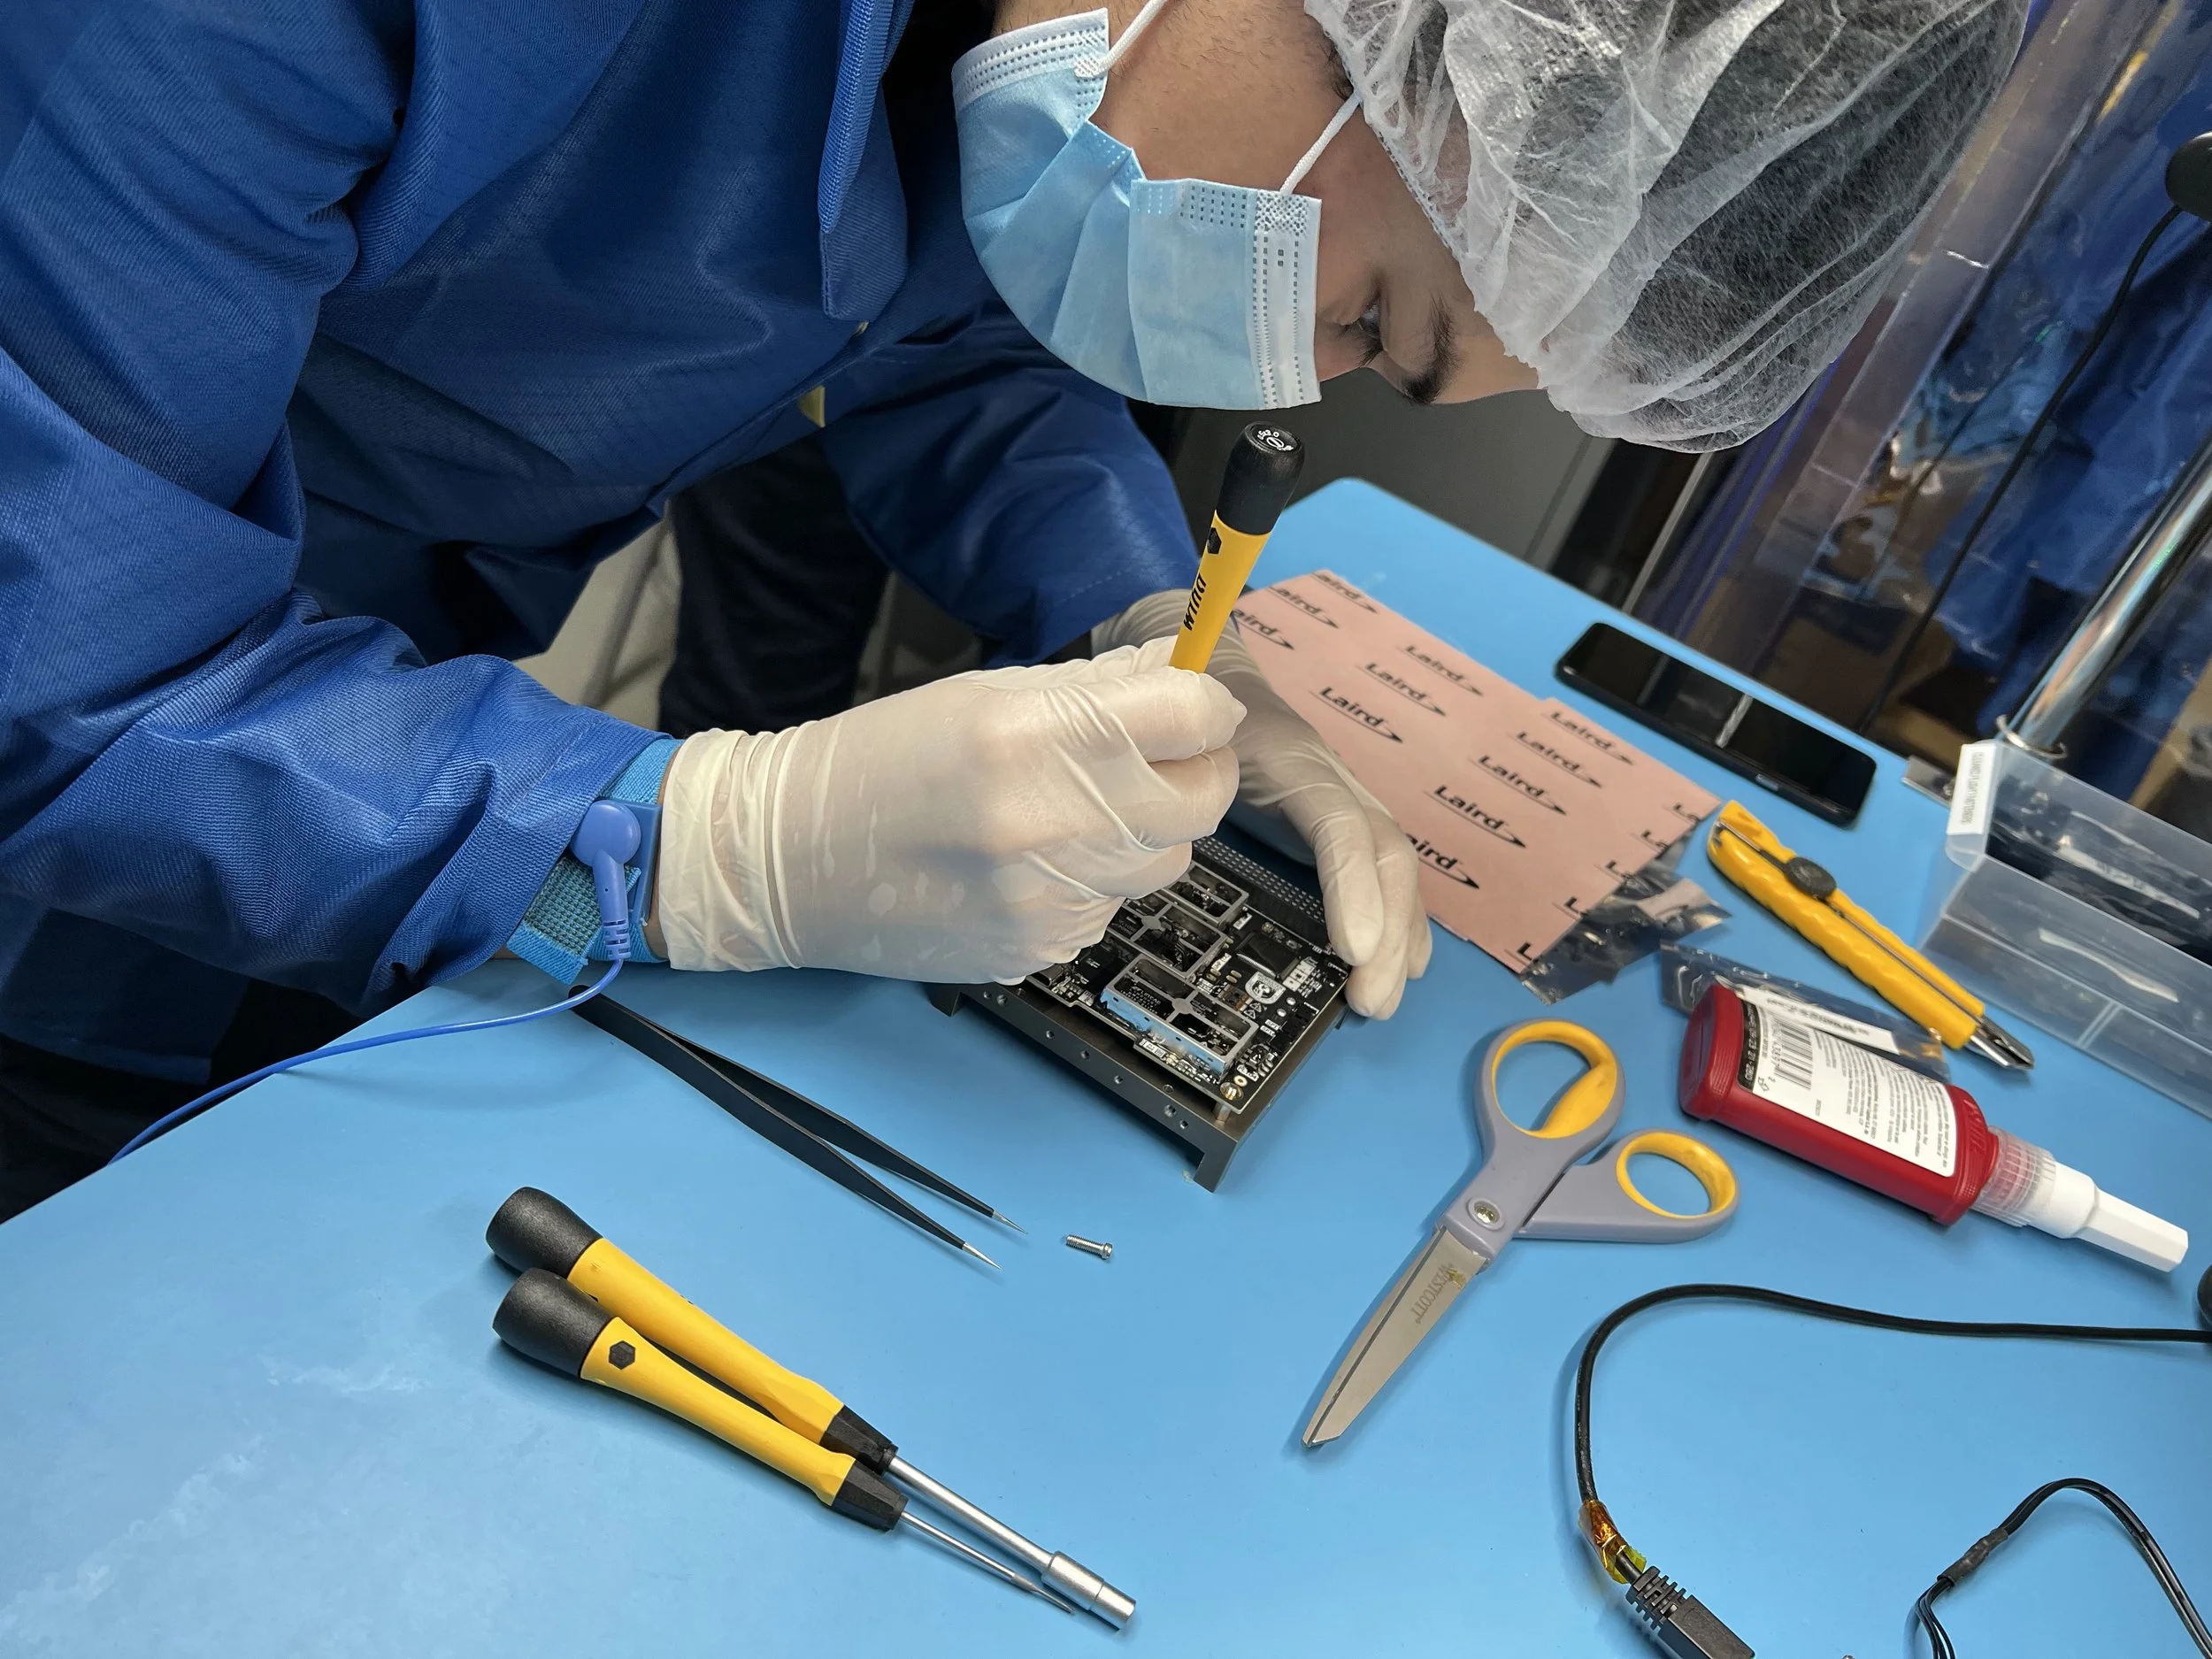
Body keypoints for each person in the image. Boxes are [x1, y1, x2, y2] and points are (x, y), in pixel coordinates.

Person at [0, 0, 2025, 1213]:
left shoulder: (1030, 57)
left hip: (346, 725)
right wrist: (700, 843)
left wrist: (1137, 617)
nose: (1282, 377)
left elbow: (933, 332)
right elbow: (74, 676)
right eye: (1369, 318)